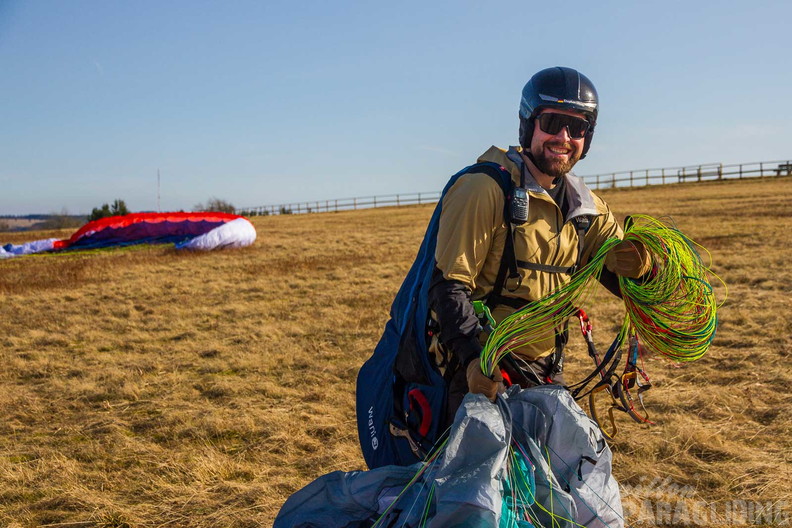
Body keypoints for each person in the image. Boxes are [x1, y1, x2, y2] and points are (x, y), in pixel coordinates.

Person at [428, 66, 650, 429]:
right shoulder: (484, 189)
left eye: (577, 127)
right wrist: (473, 361)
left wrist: (643, 267)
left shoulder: (584, 206)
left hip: (546, 375)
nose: (563, 136)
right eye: (552, 122)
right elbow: (448, 287)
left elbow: (619, 273)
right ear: (528, 125)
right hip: (480, 373)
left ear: (587, 138)